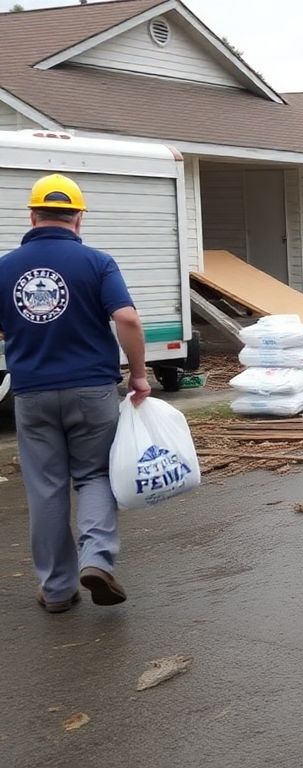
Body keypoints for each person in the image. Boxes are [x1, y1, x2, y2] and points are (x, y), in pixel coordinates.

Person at [0, 174, 150, 613]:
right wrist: (139, 375)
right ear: (79, 217)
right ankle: (96, 560)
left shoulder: (5, 267)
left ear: (31, 215)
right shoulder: (97, 262)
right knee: (94, 476)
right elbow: (127, 318)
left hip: (31, 393)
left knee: (45, 489)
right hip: (92, 391)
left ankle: (58, 589)